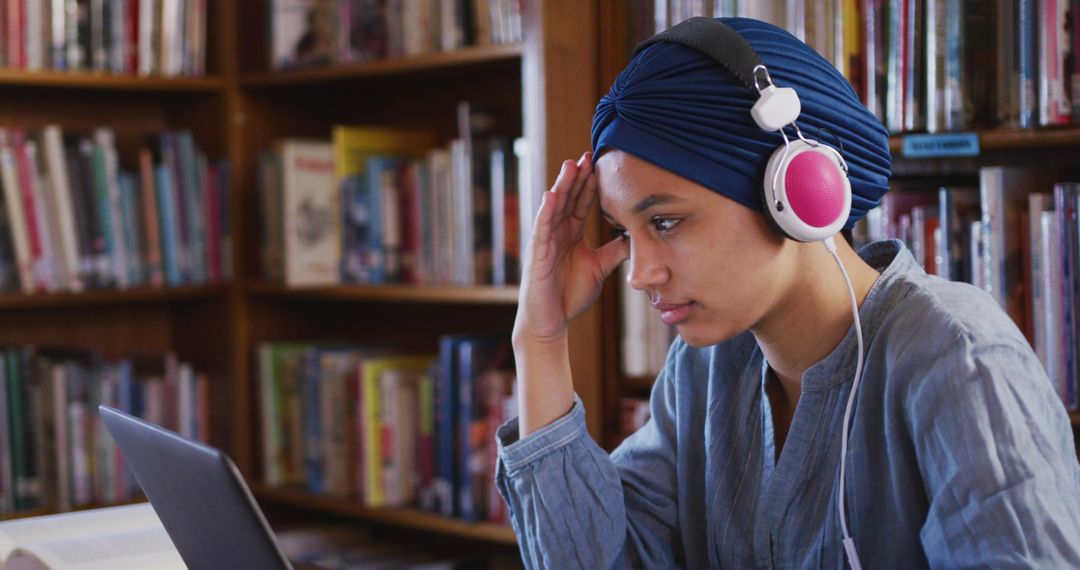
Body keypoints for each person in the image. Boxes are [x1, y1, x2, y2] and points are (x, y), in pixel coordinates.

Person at [495, 17, 1080, 569]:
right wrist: (540, 340)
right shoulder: (701, 374)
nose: (639, 273)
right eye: (625, 233)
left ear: (799, 192)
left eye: (666, 222)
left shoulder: (958, 360)